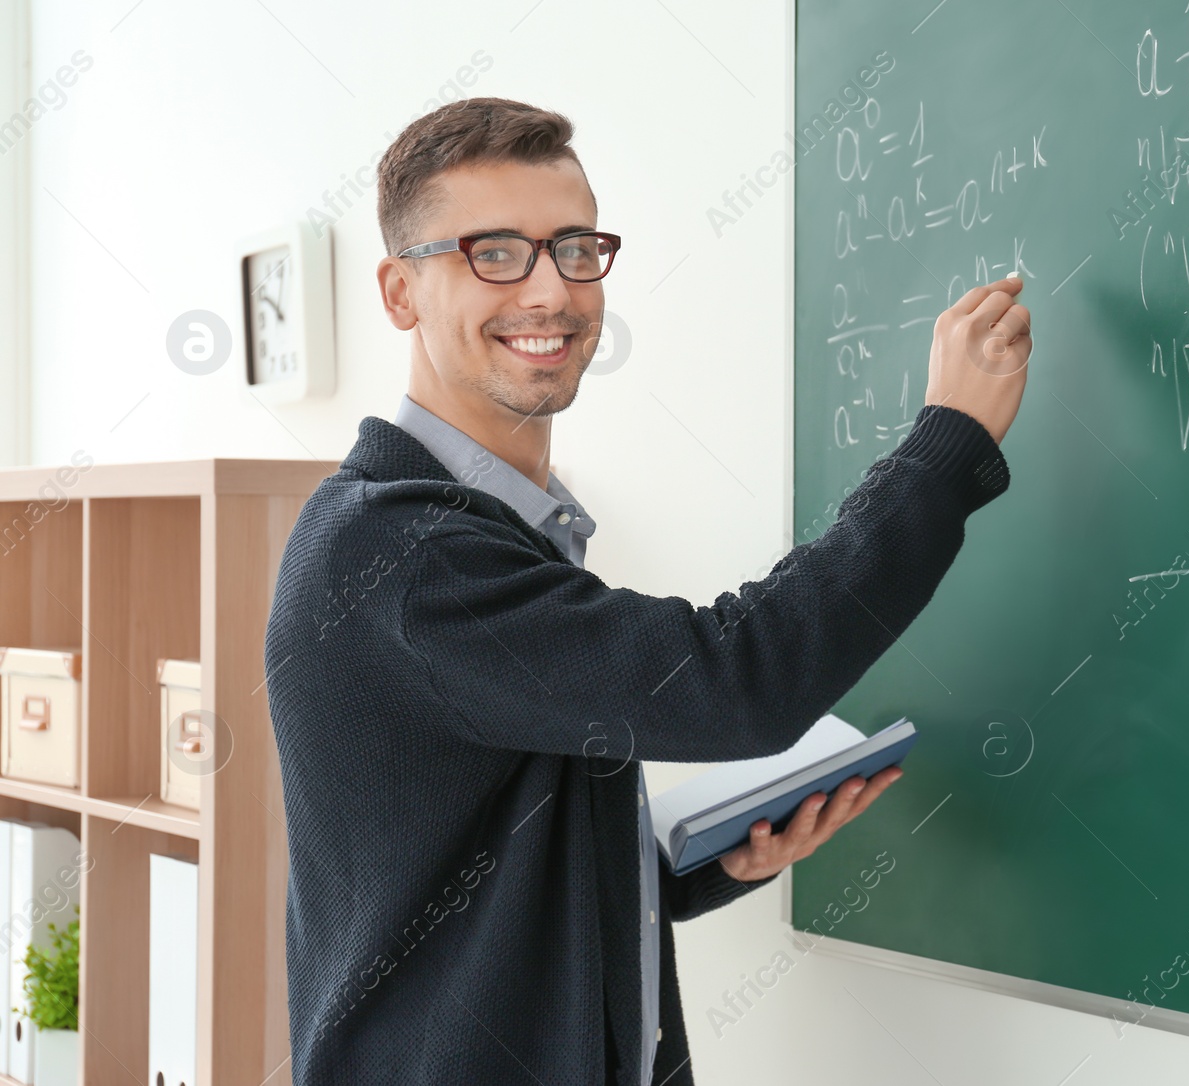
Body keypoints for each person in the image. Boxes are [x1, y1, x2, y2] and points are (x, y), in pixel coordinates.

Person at [263, 96, 1032, 1085]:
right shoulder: (405, 552)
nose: (550, 290)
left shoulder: (490, 529)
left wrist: (699, 864)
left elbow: (476, 866)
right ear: (399, 292)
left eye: (574, 248)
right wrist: (946, 448)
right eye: (493, 252)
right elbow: (735, 680)